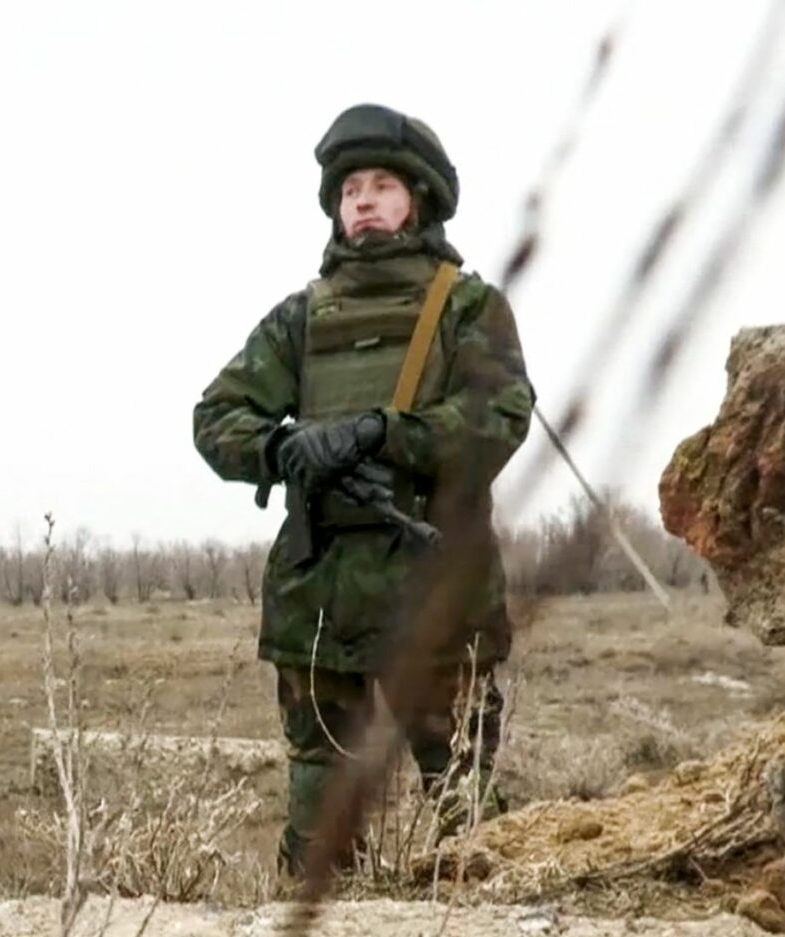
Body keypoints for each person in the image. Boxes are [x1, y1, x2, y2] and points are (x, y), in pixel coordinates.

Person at [193, 103, 536, 878]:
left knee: (468, 815)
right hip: (320, 597)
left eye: (382, 185)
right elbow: (217, 418)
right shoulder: (300, 319)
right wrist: (284, 447)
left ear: (418, 198)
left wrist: (387, 434)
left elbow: (498, 418)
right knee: (319, 825)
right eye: (350, 190)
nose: (364, 200)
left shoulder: (466, 306)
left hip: (435, 591)